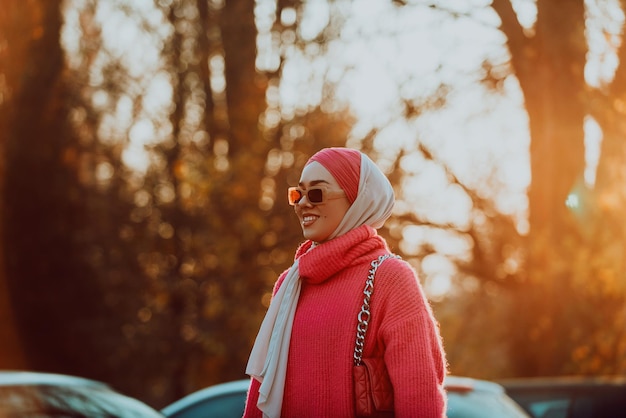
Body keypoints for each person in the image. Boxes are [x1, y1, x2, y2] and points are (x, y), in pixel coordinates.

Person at [243, 147, 447, 417]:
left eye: (316, 193)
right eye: (297, 194)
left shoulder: (391, 278)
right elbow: (260, 393)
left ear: (356, 200)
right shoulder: (290, 284)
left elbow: (420, 402)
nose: (303, 203)